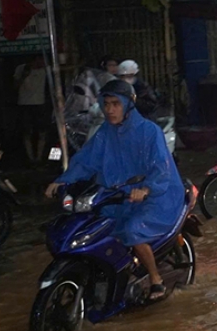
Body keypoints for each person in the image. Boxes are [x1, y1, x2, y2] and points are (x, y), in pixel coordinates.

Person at [45, 80, 183, 302]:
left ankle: (156, 279)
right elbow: (86, 160)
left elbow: (161, 168)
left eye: (115, 104)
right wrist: (63, 181)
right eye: (106, 104)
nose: (109, 110)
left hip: (156, 196)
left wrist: (146, 189)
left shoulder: (149, 132)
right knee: (91, 226)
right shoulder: (105, 132)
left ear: (129, 105)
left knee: (132, 230)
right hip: (116, 195)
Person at [14, 56, 51, 164]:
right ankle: (30, 158)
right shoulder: (21, 68)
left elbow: (62, 69)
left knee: (42, 131)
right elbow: (15, 86)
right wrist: (24, 76)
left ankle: (38, 158)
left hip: (40, 104)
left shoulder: (44, 69)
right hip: (25, 104)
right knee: (27, 132)